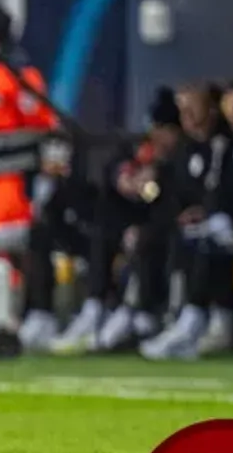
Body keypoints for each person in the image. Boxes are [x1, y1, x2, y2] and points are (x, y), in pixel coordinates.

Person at [141, 78, 233, 360]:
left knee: (208, 241)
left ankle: (203, 321)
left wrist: (220, 215)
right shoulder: (218, 145)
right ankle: (194, 318)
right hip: (232, 226)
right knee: (185, 237)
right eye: (232, 106)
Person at [50, 86, 184, 354]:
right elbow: (117, 171)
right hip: (136, 222)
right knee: (103, 224)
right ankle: (97, 305)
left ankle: (139, 313)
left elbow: (171, 203)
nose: (158, 136)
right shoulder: (139, 150)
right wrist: (124, 178)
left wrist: (154, 183)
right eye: (156, 129)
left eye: (165, 130)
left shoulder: (182, 156)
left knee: (146, 240)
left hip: (168, 227)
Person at [0, 6, 61, 350]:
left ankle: (38, 313)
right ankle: (1, 316)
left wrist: (43, 175)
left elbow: (45, 126)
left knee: (26, 249)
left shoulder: (21, 76)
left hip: (17, 181)